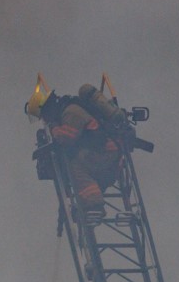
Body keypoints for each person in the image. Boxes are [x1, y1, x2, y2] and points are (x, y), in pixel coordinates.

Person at [26, 77, 125, 225]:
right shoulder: (66, 111)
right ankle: (89, 204)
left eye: (43, 115)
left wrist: (54, 129)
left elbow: (67, 137)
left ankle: (94, 206)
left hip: (105, 152)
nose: (44, 119)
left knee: (76, 167)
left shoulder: (70, 112)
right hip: (101, 151)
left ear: (47, 107)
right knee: (77, 163)